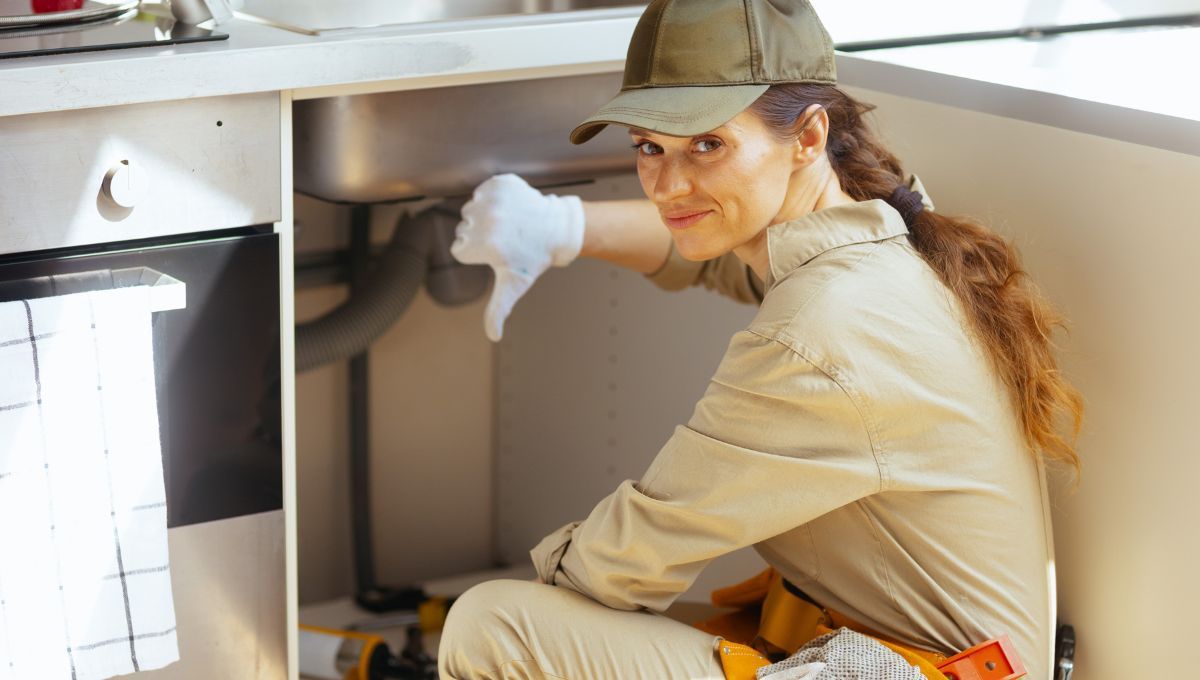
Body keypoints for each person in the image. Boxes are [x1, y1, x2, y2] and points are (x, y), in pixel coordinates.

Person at [441, 1, 1083, 678]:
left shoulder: (825, 330)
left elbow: (630, 558)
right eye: (649, 147)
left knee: (497, 627)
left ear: (808, 136)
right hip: (896, 656)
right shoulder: (885, 232)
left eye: (707, 145)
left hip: (901, 668)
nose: (668, 186)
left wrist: (551, 604)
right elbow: (722, 253)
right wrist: (559, 226)